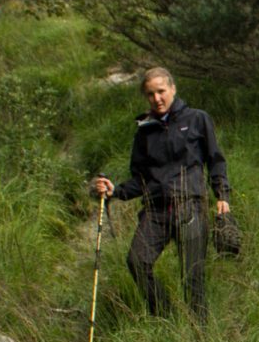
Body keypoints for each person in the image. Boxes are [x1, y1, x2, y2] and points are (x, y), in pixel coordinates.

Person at [92, 67, 231, 319]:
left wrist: (222, 196)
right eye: (150, 94)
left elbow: (215, 160)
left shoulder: (197, 119)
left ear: (173, 89)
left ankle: (199, 336)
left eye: (161, 91)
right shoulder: (144, 131)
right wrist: (116, 190)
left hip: (190, 206)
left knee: (193, 278)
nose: (156, 98)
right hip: (155, 211)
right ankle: (165, 315)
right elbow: (140, 179)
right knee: (137, 261)